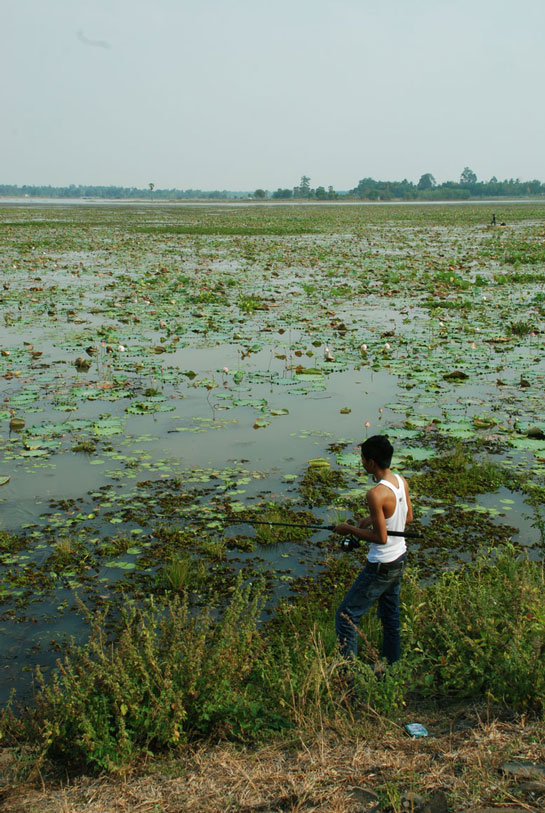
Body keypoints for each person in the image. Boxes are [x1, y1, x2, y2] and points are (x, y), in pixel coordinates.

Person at [333, 434, 413, 666]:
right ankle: (392, 666)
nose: (361, 462)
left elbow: (380, 537)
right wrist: (371, 519)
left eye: (362, 458)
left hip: (380, 565)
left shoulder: (375, 494)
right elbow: (407, 517)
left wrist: (348, 529)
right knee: (391, 617)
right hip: (399, 558)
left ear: (371, 462)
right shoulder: (400, 481)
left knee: (346, 617)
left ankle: (349, 678)